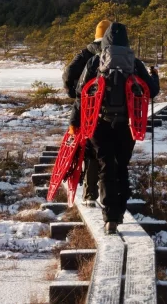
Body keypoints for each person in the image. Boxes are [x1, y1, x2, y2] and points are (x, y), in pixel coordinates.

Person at [70, 22, 159, 234]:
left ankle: (109, 217)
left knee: (105, 167)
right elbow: (152, 91)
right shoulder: (134, 63)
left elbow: (80, 93)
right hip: (127, 125)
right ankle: (119, 211)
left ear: (106, 40)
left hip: (99, 124)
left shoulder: (94, 61)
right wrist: (154, 75)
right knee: (121, 167)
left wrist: (74, 121)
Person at [62, 20, 111, 206]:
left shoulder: (86, 53)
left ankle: (90, 192)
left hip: (86, 106)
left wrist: (75, 94)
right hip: (110, 110)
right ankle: (104, 191)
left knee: (90, 148)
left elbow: (68, 74)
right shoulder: (116, 55)